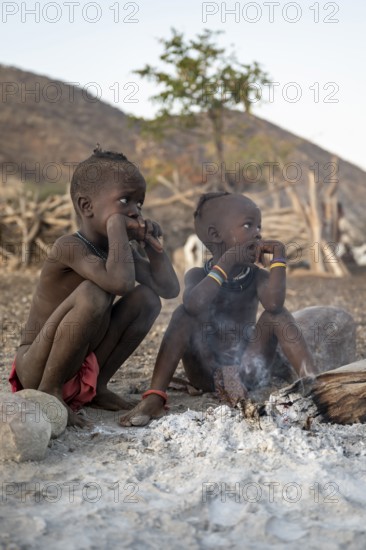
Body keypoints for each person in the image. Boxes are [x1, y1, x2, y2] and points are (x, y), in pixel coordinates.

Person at [9, 147, 180, 427]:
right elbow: (120, 283)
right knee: (93, 291)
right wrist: (116, 225)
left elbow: (169, 289)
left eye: (140, 203)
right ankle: (50, 394)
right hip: (37, 367)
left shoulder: (120, 253)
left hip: (79, 364)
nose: (135, 212)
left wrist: (154, 248)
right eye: (125, 201)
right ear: (87, 206)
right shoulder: (69, 247)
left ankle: (97, 387)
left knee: (148, 299)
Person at [120, 192, 319, 427]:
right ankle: (155, 396)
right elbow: (194, 304)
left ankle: (314, 384)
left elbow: (275, 305)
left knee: (277, 316)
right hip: (205, 370)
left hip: (248, 368)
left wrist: (279, 257)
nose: (258, 233)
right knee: (183, 314)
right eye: (248, 225)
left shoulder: (256, 276)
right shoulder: (197, 274)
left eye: (259, 226)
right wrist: (228, 261)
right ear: (215, 235)